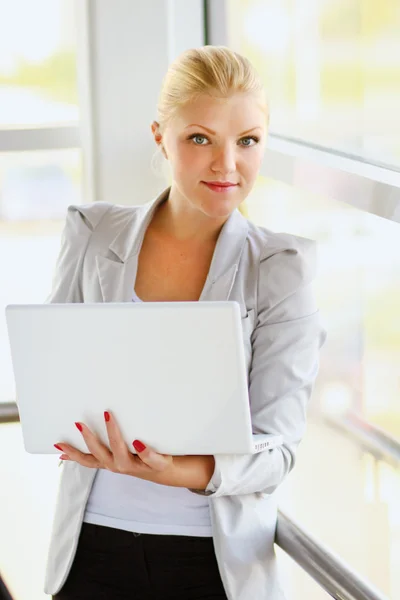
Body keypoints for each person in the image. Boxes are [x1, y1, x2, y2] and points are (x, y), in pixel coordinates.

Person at [44, 45, 326, 600]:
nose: (227, 164)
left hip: (211, 562)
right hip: (91, 549)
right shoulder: (92, 234)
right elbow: (52, 376)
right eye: (200, 138)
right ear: (159, 137)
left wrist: (173, 470)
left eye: (247, 141)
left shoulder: (281, 270)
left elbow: (278, 452)